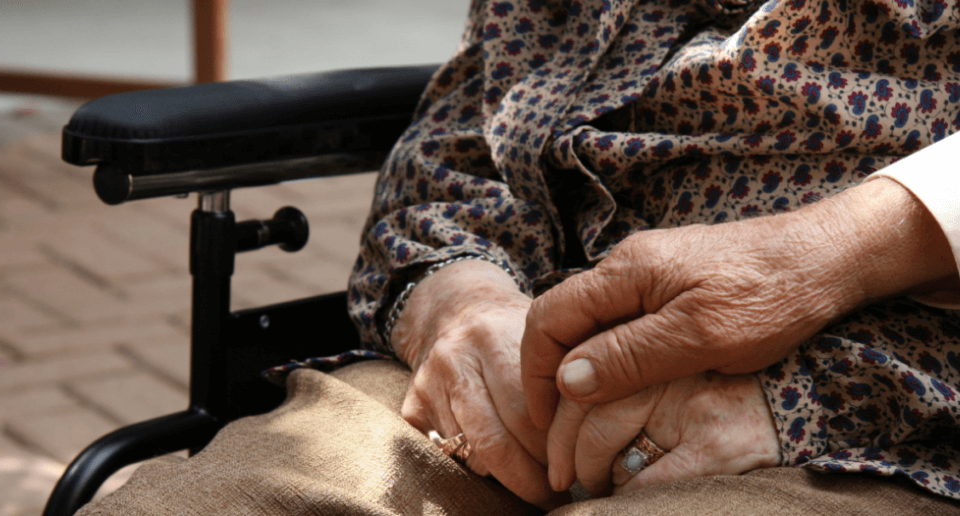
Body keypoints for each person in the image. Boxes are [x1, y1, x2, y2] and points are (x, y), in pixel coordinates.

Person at [78, 0, 960, 514]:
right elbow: (457, 146)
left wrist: (831, 255)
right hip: (520, 377)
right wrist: (459, 307)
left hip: (880, 416)